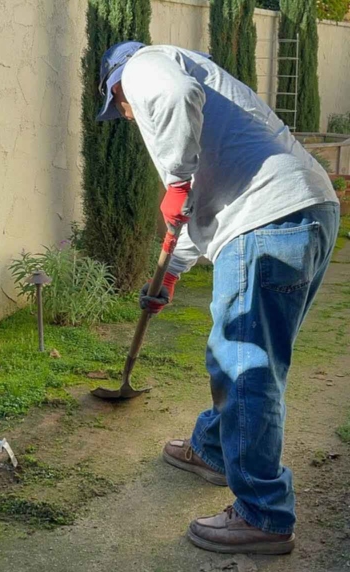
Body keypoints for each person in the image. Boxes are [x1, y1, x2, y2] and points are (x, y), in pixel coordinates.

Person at [97, 41, 339, 555]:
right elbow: (190, 212)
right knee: (248, 357)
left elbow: (176, 98)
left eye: (118, 104)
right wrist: (171, 274)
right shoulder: (210, 88)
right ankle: (213, 449)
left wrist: (175, 179)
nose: (124, 111)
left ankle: (263, 514)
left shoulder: (144, 67)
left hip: (266, 220)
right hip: (307, 209)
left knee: (244, 366)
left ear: (117, 84)